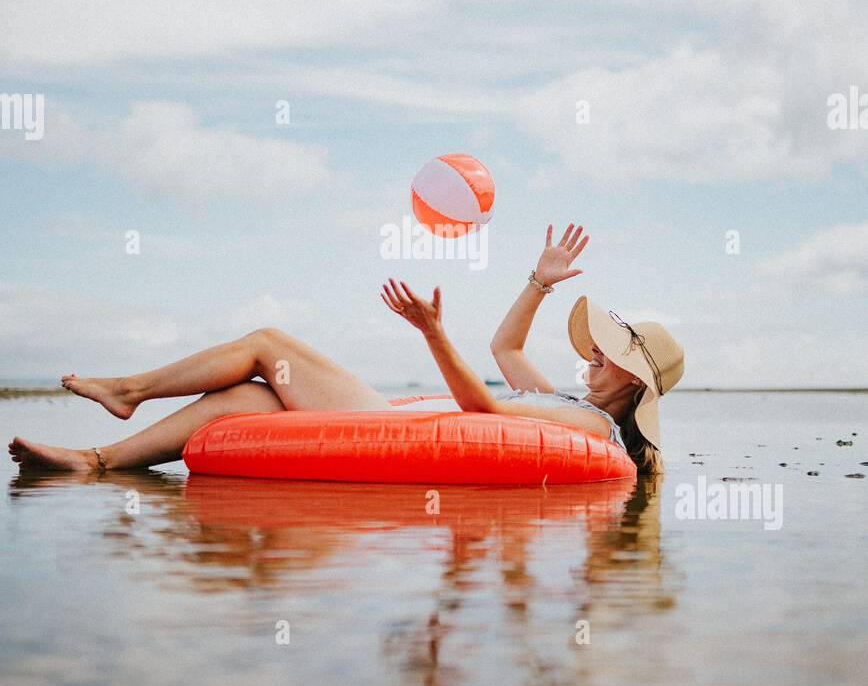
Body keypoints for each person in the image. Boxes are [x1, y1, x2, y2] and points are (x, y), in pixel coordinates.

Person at [8, 224, 683, 476]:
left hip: (394, 428)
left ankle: (127, 395)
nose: (592, 354)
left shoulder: (590, 424)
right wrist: (539, 280)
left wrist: (431, 333)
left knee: (267, 342)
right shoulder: (570, 400)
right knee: (247, 394)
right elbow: (505, 346)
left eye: (607, 354)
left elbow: (483, 411)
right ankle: (95, 460)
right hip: (402, 416)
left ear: (630, 382)